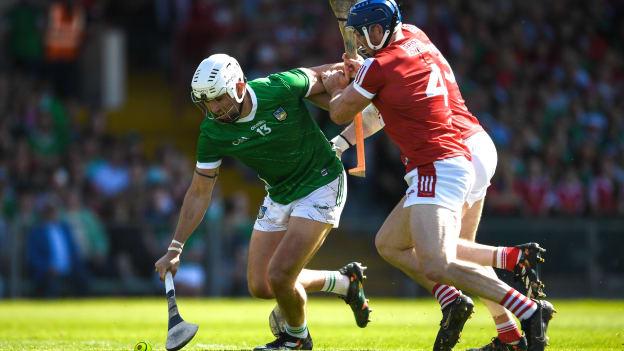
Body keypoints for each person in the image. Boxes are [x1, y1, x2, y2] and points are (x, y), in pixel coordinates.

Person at [320, 1, 554, 351]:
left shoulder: (380, 66)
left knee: (441, 260)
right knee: (395, 244)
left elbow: (349, 111)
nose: (364, 41)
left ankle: (520, 295)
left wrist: (336, 84)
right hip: (471, 142)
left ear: (382, 28)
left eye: (368, 34)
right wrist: (359, 91)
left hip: (446, 154)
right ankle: (506, 315)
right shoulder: (414, 34)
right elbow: (381, 101)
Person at [154, 53, 371, 351]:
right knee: (262, 285)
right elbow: (199, 191)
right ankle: (345, 282)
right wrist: (175, 248)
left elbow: (324, 75)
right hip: (279, 193)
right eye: (206, 103)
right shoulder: (212, 131)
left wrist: (348, 75)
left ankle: (296, 338)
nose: (214, 109)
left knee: (281, 274)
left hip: (321, 182)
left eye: (219, 99)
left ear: (239, 87)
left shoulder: (278, 86)